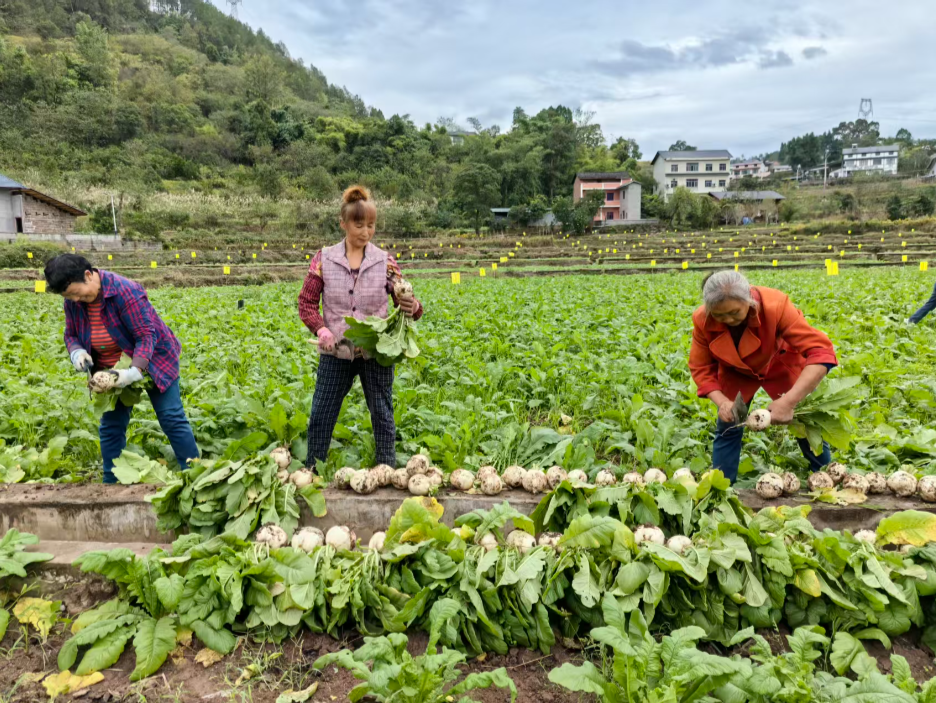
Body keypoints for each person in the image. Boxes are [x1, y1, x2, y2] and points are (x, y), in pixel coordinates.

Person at [44, 254, 199, 483]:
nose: (75, 300)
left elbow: (146, 336)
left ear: (88, 275)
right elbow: (71, 334)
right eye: (69, 297)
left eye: (76, 293)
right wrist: (76, 351)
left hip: (154, 359)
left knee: (171, 417)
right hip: (109, 367)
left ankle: (195, 475)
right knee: (111, 426)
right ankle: (111, 482)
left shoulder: (125, 291)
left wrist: (133, 372)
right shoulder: (73, 301)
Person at [298, 185, 423, 470]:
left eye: (370, 225)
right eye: (358, 225)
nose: (365, 232)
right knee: (321, 412)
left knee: (382, 413)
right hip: (337, 350)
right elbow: (306, 302)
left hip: (374, 351)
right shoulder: (324, 258)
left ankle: (386, 470)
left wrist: (410, 306)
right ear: (343, 223)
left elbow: (407, 301)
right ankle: (313, 470)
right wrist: (321, 329)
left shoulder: (385, 262)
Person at [688, 270, 838, 482]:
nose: (728, 319)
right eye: (719, 316)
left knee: (803, 421)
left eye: (734, 312)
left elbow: (821, 351)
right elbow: (700, 366)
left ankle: (826, 478)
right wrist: (721, 401)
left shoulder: (775, 305)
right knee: (729, 425)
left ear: (749, 301)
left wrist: (789, 401)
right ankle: (721, 488)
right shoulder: (702, 320)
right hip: (736, 370)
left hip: (778, 362)